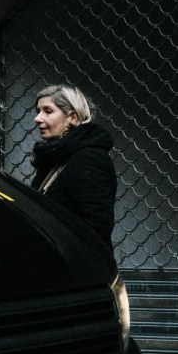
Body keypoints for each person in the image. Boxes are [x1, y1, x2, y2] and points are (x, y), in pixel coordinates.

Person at [29, 83, 117, 246]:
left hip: (75, 265)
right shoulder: (57, 155)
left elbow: (97, 225)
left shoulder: (87, 157)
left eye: (48, 111)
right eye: (38, 111)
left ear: (73, 118)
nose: (38, 118)